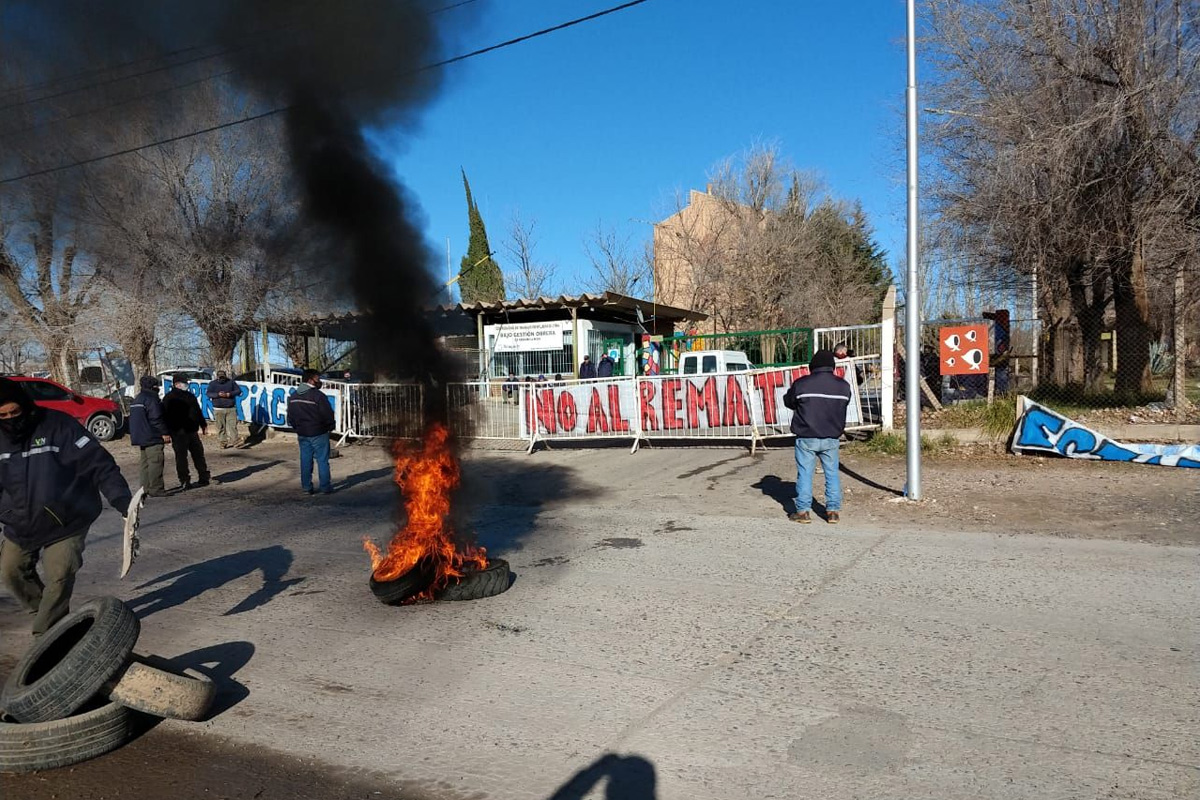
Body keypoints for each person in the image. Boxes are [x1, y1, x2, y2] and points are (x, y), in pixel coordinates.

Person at [0, 377, 132, 636]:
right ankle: (47, 613)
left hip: (67, 518)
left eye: (15, 412)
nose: (10, 419)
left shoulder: (57, 425)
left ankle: (45, 634)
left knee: (59, 574)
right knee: (10, 572)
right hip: (20, 522)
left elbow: (98, 463)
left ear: (25, 405)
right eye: (2, 416)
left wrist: (122, 500)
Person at [782, 349, 851, 524]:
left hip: (806, 436)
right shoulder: (843, 386)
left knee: (805, 474)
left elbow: (789, 401)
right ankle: (833, 511)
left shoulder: (802, 384)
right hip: (831, 437)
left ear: (812, 366)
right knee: (832, 474)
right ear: (832, 366)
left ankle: (803, 512)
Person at [286, 368, 335, 495]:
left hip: (302, 433)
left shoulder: (293, 396)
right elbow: (327, 414)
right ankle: (325, 487)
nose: (319, 382)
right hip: (319, 432)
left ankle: (306, 487)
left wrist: (297, 428)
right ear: (310, 380)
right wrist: (330, 426)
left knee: (305, 460)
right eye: (318, 379)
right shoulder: (318, 396)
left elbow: (290, 416)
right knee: (322, 460)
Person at [163, 374, 210, 490]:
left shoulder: (190, 396)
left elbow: (197, 411)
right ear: (177, 384)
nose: (186, 385)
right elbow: (164, 417)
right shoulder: (169, 398)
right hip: (178, 433)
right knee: (181, 458)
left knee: (198, 454)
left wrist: (203, 424)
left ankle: (204, 476)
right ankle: (184, 480)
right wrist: (166, 432)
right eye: (184, 383)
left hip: (192, 431)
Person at [129, 375, 171, 497]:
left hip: (141, 436)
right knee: (155, 462)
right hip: (153, 436)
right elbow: (156, 418)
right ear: (153, 387)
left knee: (145, 464)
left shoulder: (138, 399)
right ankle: (156, 488)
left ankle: (144, 488)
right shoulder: (152, 399)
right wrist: (164, 432)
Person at [206, 370, 241, 448]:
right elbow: (208, 393)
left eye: (223, 377)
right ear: (217, 377)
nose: (222, 379)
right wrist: (218, 394)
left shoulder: (231, 382)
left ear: (225, 376)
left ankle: (235, 442)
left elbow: (238, 391)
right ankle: (223, 442)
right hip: (218, 409)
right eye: (220, 377)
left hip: (231, 408)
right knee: (220, 427)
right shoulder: (212, 384)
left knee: (233, 426)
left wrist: (229, 394)